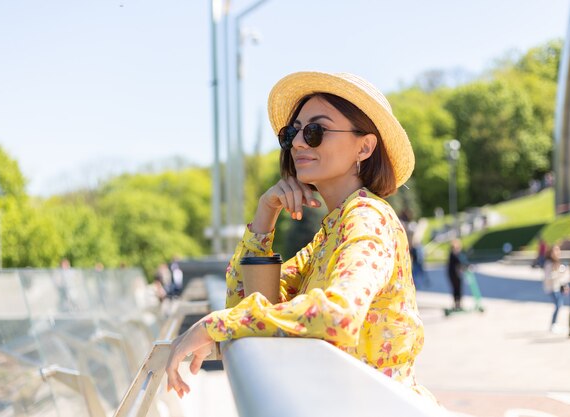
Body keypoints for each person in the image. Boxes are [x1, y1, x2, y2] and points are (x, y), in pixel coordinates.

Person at [164, 71, 435, 401]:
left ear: (364, 147)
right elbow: (248, 304)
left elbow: (338, 314)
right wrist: (265, 215)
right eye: (293, 132)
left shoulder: (367, 219)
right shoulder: (330, 233)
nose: (298, 142)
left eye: (315, 131)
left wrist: (215, 324)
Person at [542, 244, 569, 334]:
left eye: (558, 250)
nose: (557, 253)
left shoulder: (557, 262)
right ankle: (553, 325)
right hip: (551, 288)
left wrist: (565, 285)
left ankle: (554, 324)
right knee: (558, 304)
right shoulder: (548, 263)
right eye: (555, 251)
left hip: (557, 287)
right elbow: (548, 277)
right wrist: (559, 273)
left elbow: (561, 278)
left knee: (559, 305)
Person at [447, 239, 467, 311]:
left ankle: (458, 304)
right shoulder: (453, 254)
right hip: (455, 274)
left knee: (457, 289)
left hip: (455, 274)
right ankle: (457, 304)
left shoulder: (454, 254)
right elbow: (459, 262)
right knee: (457, 289)